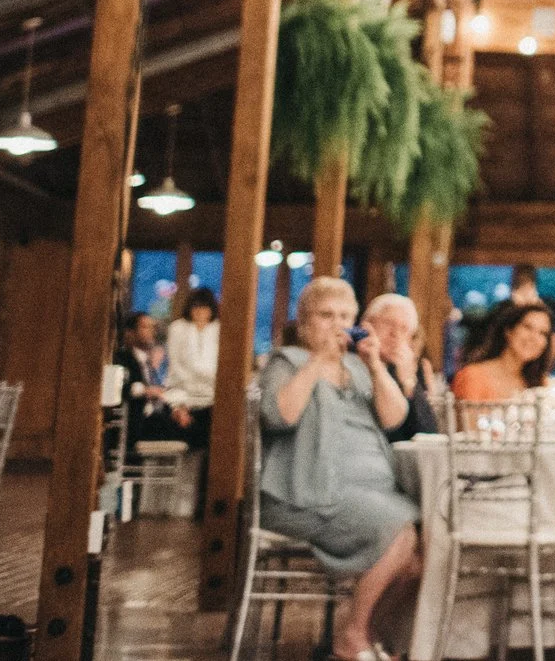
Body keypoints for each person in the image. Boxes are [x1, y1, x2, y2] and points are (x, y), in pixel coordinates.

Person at [257, 278, 420, 661]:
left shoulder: (359, 366)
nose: (337, 324)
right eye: (326, 315)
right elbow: (279, 415)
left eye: (345, 316)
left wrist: (377, 366)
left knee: (424, 550)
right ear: (305, 323)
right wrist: (317, 363)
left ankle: (367, 635)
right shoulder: (287, 362)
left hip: (371, 492)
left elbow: (395, 417)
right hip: (304, 493)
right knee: (401, 530)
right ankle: (352, 637)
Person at [362, 292, 442, 440]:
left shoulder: (411, 369)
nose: (395, 334)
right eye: (388, 324)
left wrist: (409, 384)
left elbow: (428, 434)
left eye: (404, 329)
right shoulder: (353, 362)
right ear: (367, 325)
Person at [453, 300, 554, 401]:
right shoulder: (473, 377)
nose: (534, 337)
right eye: (527, 327)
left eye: (543, 333)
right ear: (509, 331)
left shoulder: (541, 383)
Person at [163, 286, 221, 450]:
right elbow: (175, 367)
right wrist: (178, 404)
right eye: (196, 307)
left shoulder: (219, 329)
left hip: (213, 401)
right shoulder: (178, 328)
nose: (200, 312)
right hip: (185, 398)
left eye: (205, 307)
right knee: (188, 448)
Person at [114, 313, 171, 447]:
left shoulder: (147, 361)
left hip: (153, 417)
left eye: (152, 328)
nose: (151, 332)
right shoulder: (123, 357)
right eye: (145, 327)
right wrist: (146, 391)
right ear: (130, 332)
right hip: (137, 421)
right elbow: (122, 387)